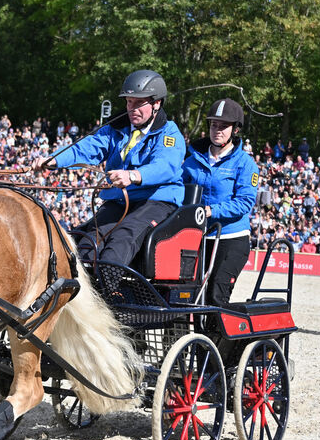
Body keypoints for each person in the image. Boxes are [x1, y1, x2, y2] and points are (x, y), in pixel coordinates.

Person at [40, 69, 185, 265]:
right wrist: (54, 160)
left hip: (155, 201)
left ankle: (112, 291)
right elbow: (86, 148)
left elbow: (165, 166)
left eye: (139, 103)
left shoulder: (169, 134)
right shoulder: (115, 129)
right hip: (120, 201)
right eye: (128, 102)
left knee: (122, 239)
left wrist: (133, 175)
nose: (132, 109)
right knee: (88, 242)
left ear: (156, 103)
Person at [182, 99, 259, 306]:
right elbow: (179, 192)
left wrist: (210, 211)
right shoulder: (191, 161)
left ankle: (217, 338)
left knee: (216, 294)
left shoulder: (245, 164)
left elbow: (244, 203)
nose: (217, 130)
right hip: (197, 237)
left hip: (231, 238)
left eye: (224, 126)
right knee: (186, 295)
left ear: (235, 129)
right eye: (214, 125)